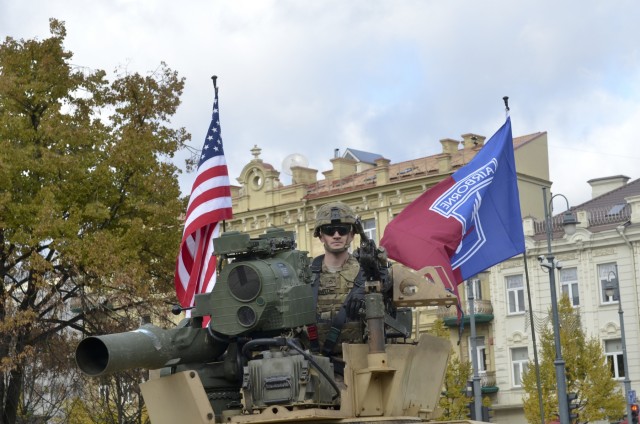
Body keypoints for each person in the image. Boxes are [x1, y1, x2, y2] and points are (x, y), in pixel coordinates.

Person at [309, 201, 392, 358]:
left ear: (352, 235)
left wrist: (372, 282)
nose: (336, 235)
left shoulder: (366, 272)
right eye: (329, 230)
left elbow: (389, 284)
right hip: (315, 365)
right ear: (321, 235)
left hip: (360, 363)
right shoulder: (306, 275)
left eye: (342, 230)